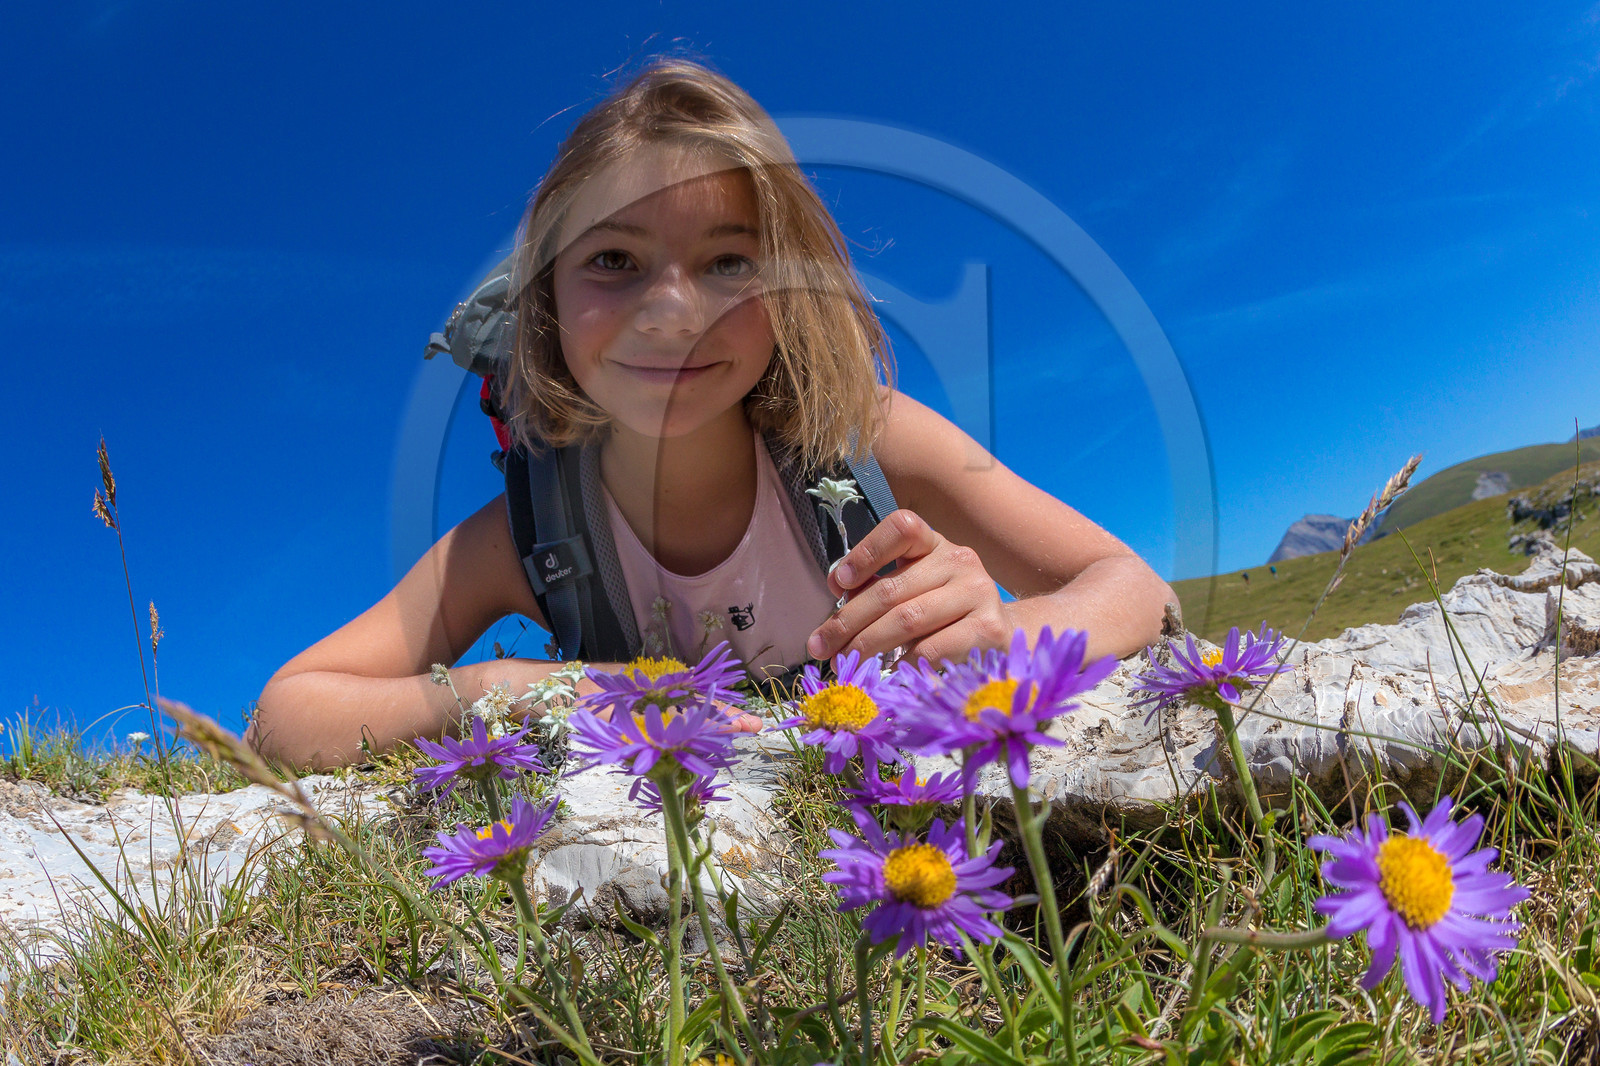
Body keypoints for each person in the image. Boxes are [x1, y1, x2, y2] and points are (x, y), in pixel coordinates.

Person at [246, 56, 1177, 772]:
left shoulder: (863, 436)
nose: (673, 312)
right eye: (614, 260)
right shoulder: (530, 535)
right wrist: (524, 690)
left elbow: (1136, 588)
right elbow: (286, 711)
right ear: (546, 306)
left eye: (731, 262)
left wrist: (1001, 635)